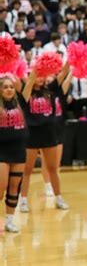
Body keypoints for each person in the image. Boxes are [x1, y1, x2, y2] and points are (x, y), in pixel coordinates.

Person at [19, 65, 70, 213]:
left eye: (43, 75)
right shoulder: (26, 91)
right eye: (38, 75)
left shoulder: (50, 90)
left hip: (49, 134)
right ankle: (23, 200)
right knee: (27, 170)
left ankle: (58, 198)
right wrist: (35, 71)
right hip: (31, 135)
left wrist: (71, 60)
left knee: (53, 169)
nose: (41, 78)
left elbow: (63, 73)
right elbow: (28, 84)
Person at [0, 74, 28, 232]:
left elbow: (26, 83)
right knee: (1, 187)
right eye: (5, 87)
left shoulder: (21, 103)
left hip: (18, 151)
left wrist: (14, 69)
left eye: (11, 87)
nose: (9, 89)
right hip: (2, 152)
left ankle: (9, 221)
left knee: (14, 187)